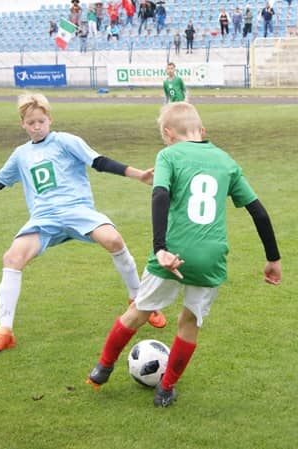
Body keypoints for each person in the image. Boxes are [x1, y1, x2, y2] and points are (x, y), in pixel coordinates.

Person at [0, 93, 167, 355]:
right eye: (31, 123)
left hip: (78, 211)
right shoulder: (21, 155)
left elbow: (99, 162)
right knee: (12, 258)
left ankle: (139, 300)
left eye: (41, 121)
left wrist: (138, 175)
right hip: (44, 219)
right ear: (23, 124)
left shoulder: (66, 141)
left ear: (50, 119)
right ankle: (5, 332)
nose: (37, 127)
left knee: (114, 240)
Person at [86, 101, 282, 407]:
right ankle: (165, 390)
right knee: (189, 321)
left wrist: (160, 248)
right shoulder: (226, 160)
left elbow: (160, 194)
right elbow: (258, 211)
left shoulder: (168, 155)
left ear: (168, 134)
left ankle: (102, 368)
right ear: (202, 131)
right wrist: (273, 258)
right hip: (210, 257)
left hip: (173, 251)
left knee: (139, 310)